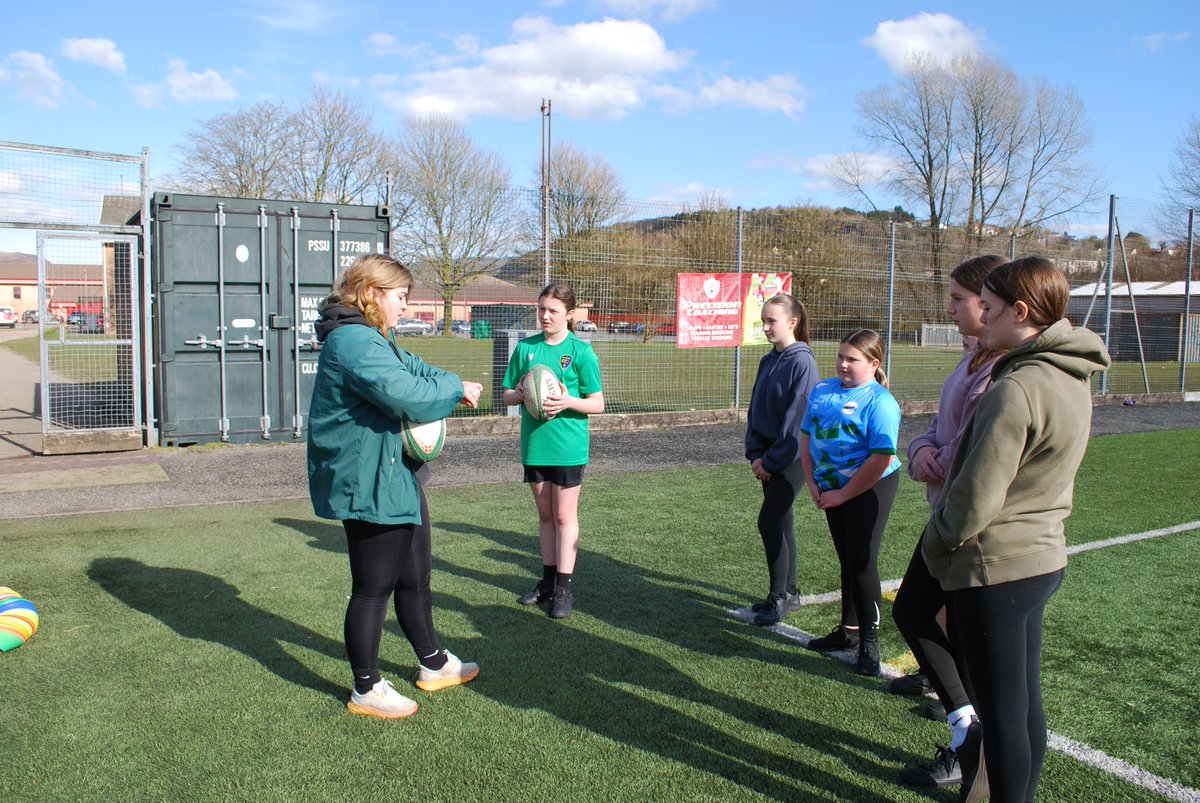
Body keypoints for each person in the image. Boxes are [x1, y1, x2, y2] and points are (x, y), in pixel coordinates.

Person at [922, 256, 1111, 803]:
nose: (980, 314)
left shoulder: (1018, 386)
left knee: (1004, 719)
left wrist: (937, 543)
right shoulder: (1070, 373)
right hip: (1041, 557)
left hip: (997, 566)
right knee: (1024, 707)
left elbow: (974, 500)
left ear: (1021, 312)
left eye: (990, 305)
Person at [307, 254, 484, 720]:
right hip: (368, 481)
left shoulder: (374, 337)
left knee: (415, 576)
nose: (405, 307)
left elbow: (419, 370)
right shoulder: (352, 342)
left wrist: (452, 382)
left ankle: (432, 663)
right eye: (401, 297)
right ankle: (366, 687)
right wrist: (453, 391)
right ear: (371, 294)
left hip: (393, 472)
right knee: (372, 589)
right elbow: (406, 393)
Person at [891, 254, 1008, 788]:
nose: (952, 309)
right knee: (921, 615)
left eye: (960, 300)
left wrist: (934, 455)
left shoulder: (1004, 371)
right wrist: (918, 452)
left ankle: (972, 748)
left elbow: (972, 455)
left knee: (946, 629)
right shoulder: (970, 361)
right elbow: (934, 432)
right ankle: (967, 735)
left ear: (991, 305)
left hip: (972, 530)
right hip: (946, 516)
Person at [799, 329, 902, 676]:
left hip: (870, 487)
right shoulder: (823, 390)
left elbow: (880, 459)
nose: (843, 364)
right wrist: (812, 482)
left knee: (862, 560)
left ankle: (870, 643)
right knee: (847, 558)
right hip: (831, 489)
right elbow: (806, 437)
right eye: (840, 356)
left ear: (874, 364)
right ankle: (849, 632)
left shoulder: (881, 402)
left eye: (852, 359)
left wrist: (843, 493)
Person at [503, 284, 605, 620]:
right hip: (535, 446)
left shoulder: (581, 351)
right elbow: (505, 394)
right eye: (542, 309)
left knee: (564, 516)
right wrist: (520, 394)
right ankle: (546, 584)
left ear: (570, 314)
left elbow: (598, 403)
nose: (545, 316)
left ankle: (564, 588)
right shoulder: (526, 348)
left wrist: (568, 402)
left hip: (568, 447)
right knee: (545, 516)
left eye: (553, 311)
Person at [744, 294, 819, 626]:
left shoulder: (802, 362)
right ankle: (789, 592)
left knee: (769, 522)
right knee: (782, 521)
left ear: (792, 323)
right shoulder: (767, 360)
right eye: (763, 320)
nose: (765, 327)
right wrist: (756, 454)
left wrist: (771, 462)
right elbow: (756, 411)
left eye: (771, 320)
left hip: (790, 458)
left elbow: (796, 421)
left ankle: (780, 596)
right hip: (769, 458)